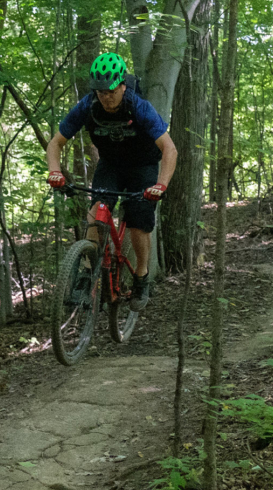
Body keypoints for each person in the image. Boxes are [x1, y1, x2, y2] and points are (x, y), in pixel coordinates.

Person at [45, 52, 177, 311]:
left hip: (143, 166)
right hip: (111, 166)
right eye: (100, 91)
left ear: (122, 85)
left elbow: (169, 149)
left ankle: (141, 276)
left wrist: (160, 185)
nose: (105, 96)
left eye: (111, 91)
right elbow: (55, 143)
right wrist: (54, 172)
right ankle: (85, 275)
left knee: (139, 220)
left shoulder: (138, 107)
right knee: (97, 212)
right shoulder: (88, 105)